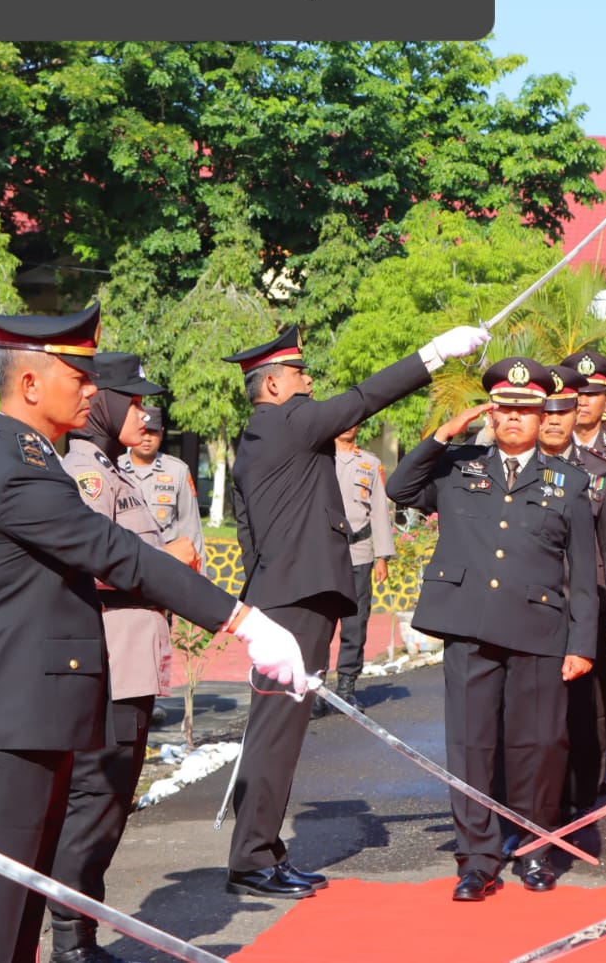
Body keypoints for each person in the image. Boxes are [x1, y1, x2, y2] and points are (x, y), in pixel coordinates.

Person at [0, 305, 308, 963]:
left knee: (14, 912)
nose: (92, 388)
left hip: (28, 717)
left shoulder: (35, 458)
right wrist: (243, 621)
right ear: (32, 383)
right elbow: (117, 552)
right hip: (5, 723)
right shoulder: (17, 466)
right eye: (77, 375)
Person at [222, 321, 487, 898]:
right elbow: (367, 397)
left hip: (282, 596)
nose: (309, 379)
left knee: (280, 733)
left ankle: (262, 849)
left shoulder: (261, 435)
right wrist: (435, 352)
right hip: (294, 601)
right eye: (298, 373)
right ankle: (251, 859)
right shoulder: (287, 421)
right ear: (271, 386)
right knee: (276, 733)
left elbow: (248, 533)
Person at [386, 357, 597, 901]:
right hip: (470, 628)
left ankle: (533, 850)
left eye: (525, 411)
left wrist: (582, 644)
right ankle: (476, 859)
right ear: (492, 414)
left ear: (540, 415)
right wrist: (443, 434)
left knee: (539, 747)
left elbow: (583, 574)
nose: (513, 419)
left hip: (539, 632)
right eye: (504, 409)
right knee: (470, 746)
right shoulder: (457, 466)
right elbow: (399, 487)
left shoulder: (568, 482)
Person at [47, 354, 192, 963]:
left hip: (129, 661)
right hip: (109, 663)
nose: (143, 411)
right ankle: (69, 941)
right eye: (130, 400)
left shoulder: (111, 470)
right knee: (95, 805)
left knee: (106, 805)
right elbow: (88, 563)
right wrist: (165, 566)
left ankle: (79, 932)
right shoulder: (87, 472)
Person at [539, 365, 606, 816]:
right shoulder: (519, 465)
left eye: (564, 410)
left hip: (585, 601)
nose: (556, 420)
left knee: (587, 700)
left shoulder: (601, 472)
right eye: (548, 411)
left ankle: (583, 788)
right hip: (531, 603)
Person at [328, 423, 395, 710]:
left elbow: (379, 510)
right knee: (320, 623)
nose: (347, 426)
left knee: (355, 622)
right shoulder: (319, 458)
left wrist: (382, 556)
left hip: (360, 552)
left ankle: (346, 686)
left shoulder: (370, 463)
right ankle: (314, 688)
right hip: (323, 553)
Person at [119, 405, 204, 559]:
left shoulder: (177, 470)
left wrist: (199, 575)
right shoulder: (115, 468)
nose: (147, 438)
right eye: (143, 431)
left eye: (153, 432)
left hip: (166, 562)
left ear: (162, 433)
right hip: (125, 560)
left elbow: (190, 528)